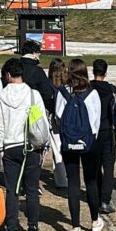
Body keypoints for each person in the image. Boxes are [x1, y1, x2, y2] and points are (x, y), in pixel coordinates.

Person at [0, 58, 43, 231]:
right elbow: (41, 122)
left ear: (8, 75)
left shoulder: (2, 96)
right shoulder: (33, 94)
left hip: (10, 147)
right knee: (31, 190)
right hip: (30, 146)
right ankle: (33, 228)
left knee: (12, 191)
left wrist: (1, 148)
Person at [54, 58, 102, 231]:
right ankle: (95, 221)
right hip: (89, 142)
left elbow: (58, 116)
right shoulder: (92, 93)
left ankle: (75, 228)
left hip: (68, 143)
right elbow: (96, 120)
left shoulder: (62, 92)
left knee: (73, 183)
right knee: (91, 182)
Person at [89, 58, 116, 214]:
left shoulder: (87, 88)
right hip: (108, 130)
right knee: (108, 167)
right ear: (106, 72)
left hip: (91, 132)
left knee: (94, 166)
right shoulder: (112, 89)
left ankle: (96, 196)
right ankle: (105, 200)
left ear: (93, 71)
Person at [47, 58, 68, 190]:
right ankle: (67, 176)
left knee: (57, 149)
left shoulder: (48, 84)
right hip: (67, 121)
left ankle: (61, 180)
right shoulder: (67, 85)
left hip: (54, 120)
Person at [20, 40, 55, 114]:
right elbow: (47, 93)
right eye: (38, 52)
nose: (39, 54)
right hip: (33, 110)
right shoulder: (38, 71)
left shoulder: (15, 67)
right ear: (34, 53)